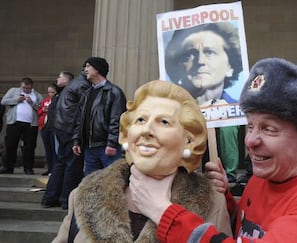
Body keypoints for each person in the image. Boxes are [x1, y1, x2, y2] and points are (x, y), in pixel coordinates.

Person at [128, 58, 297, 242]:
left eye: (270, 129)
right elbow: (247, 232)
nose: (251, 141)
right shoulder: (262, 179)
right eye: (251, 126)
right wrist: (225, 200)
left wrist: (162, 211)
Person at [52, 80, 232, 242]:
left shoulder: (213, 203)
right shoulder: (83, 195)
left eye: (163, 122)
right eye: (140, 120)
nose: (146, 130)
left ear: (189, 141)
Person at [165, 22, 243, 183]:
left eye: (210, 52)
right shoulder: (175, 106)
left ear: (230, 66)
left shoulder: (235, 105)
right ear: (180, 67)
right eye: (189, 55)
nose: (200, 61)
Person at [42, 68, 88, 209]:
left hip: (61, 130)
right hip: (69, 131)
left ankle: (50, 198)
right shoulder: (81, 85)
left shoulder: (67, 90)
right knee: (71, 165)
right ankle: (65, 199)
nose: (57, 79)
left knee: (61, 163)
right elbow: (83, 112)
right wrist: (77, 136)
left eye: (59, 76)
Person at [72, 57, 127, 175]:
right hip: (89, 147)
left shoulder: (114, 92)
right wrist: (77, 141)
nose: (84, 70)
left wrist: (112, 143)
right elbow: (80, 120)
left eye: (88, 66)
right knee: (91, 183)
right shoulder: (87, 93)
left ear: (97, 69)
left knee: (111, 181)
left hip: (106, 147)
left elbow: (117, 119)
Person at [0, 77, 43, 174]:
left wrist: (32, 103)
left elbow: (41, 108)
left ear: (32, 87)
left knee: (29, 146)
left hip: (31, 124)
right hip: (14, 122)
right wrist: (17, 100)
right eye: (24, 88)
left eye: (28, 88)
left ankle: (28, 168)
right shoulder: (13, 91)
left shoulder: (37, 95)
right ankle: (8, 167)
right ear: (21, 85)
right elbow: (3, 101)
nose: (26, 90)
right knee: (10, 144)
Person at [37, 83, 58, 176]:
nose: (50, 94)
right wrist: (43, 110)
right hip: (44, 126)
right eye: (49, 92)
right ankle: (49, 168)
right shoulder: (46, 100)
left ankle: (54, 169)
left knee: (54, 149)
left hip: (53, 127)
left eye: (52, 92)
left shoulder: (58, 100)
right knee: (48, 148)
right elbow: (39, 111)